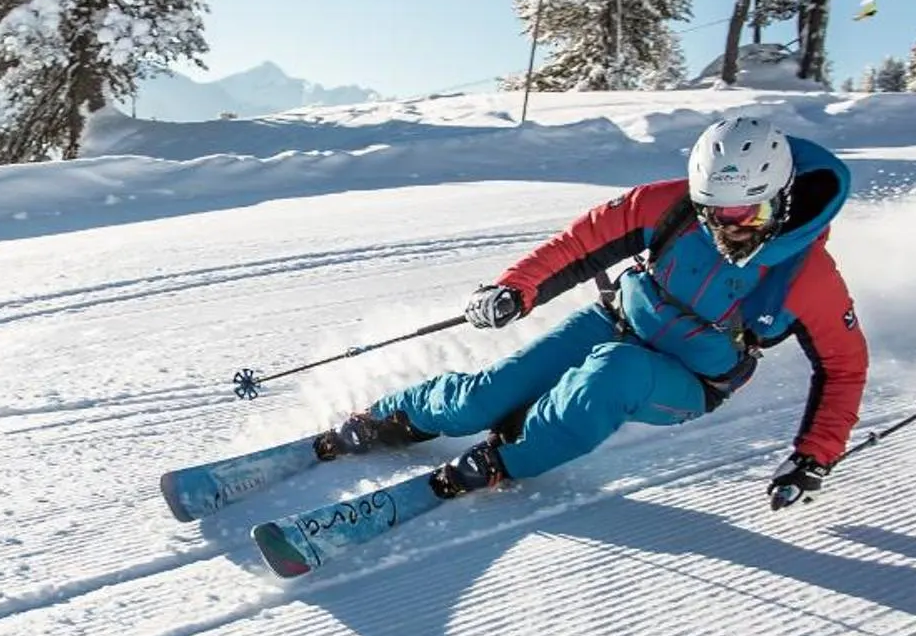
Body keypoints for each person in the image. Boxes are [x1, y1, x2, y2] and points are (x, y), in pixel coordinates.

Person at [310, 114, 868, 509]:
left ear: (783, 195)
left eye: (746, 212)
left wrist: (812, 456)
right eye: (713, 211)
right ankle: (395, 416)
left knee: (610, 377)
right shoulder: (665, 205)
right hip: (618, 321)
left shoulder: (809, 278)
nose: (726, 228)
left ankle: (508, 458)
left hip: (691, 378)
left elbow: (845, 368)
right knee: (484, 396)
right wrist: (515, 289)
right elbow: (581, 243)